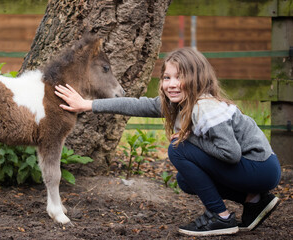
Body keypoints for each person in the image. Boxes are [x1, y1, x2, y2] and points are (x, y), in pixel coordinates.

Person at [54, 47, 281, 237]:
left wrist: (189, 137)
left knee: (178, 148)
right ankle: (255, 201)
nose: (171, 84)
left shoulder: (205, 108)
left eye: (180, 77)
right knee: (186, 181)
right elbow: (135, 104)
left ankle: (220, 217)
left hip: (260, 167)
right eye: (167, 77)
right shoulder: (180, 104)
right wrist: (88, 105)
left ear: (197, 79)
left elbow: (231, 153)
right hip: (256, 170)